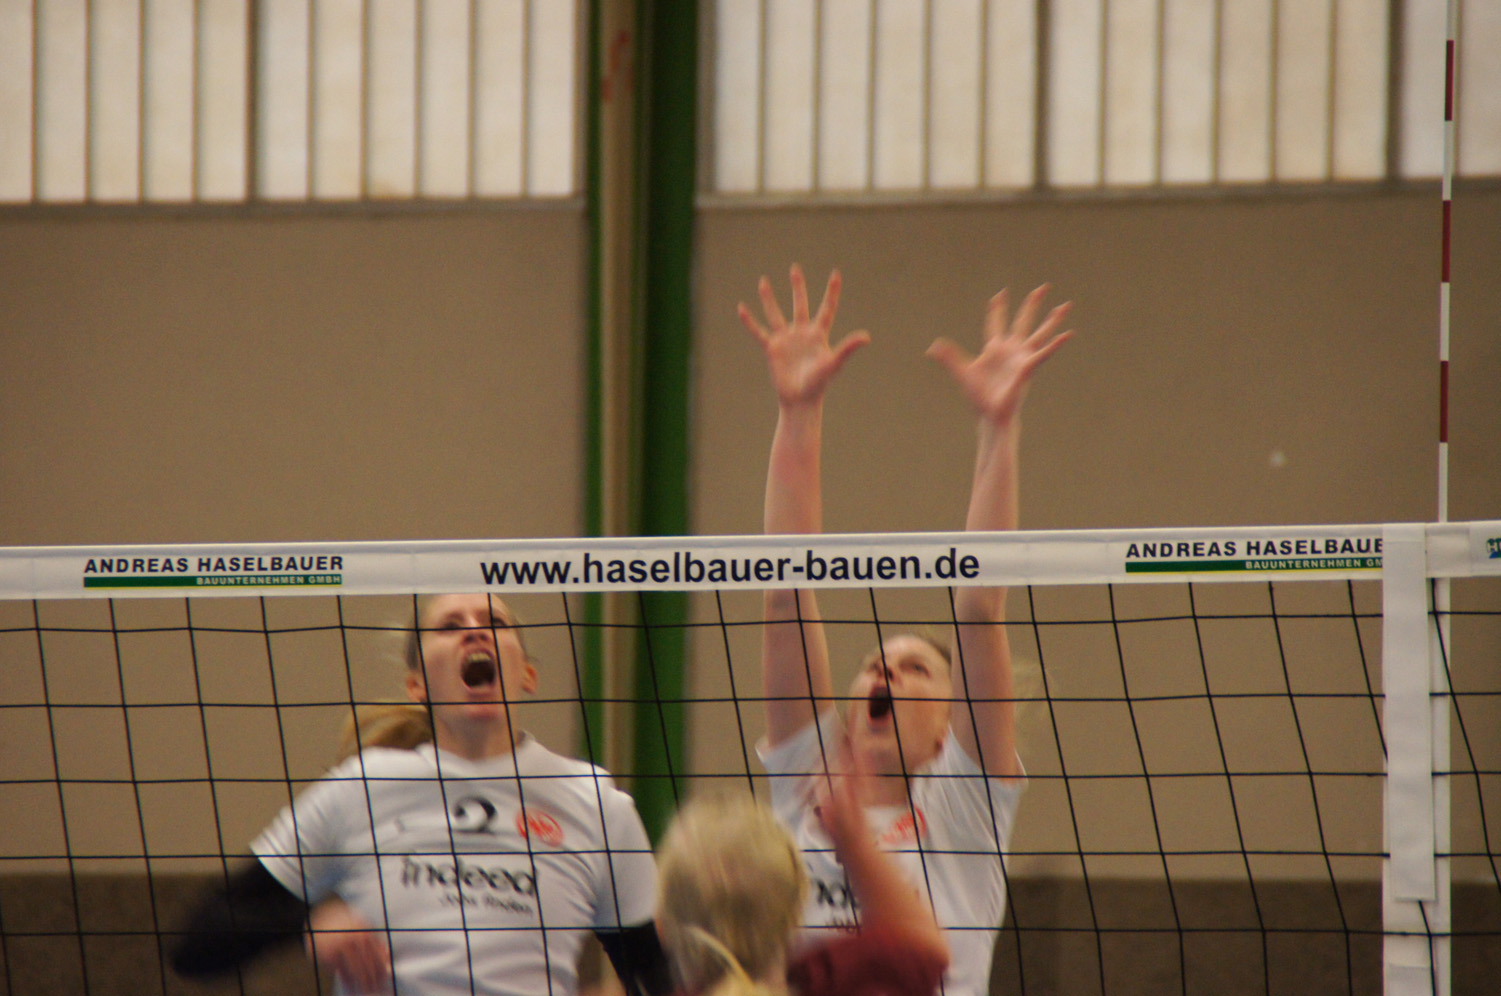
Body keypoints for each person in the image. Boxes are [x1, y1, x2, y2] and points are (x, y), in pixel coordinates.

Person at [737, 266, 1071, 996]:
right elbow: (786, 594)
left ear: (951, 724)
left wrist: (999, 427)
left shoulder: (961, 808)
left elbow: (978, 607)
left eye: (916, 669)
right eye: (874, 665)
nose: (884, 673)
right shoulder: (814, 780)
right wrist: (798, 412)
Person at [170, 592, 670, 996]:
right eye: (449, 626)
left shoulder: (595, 803)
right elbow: (197, 945)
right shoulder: (363, 787)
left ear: (528, 675)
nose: (474, 630)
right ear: (418, 686)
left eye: (494, 621)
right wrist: (312, 922)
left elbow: (655, 977)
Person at [654, 774, 949, 996]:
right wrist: (853, 840)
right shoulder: (830, 981)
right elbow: (923, 948)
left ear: (662, 926)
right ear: (797, 912)